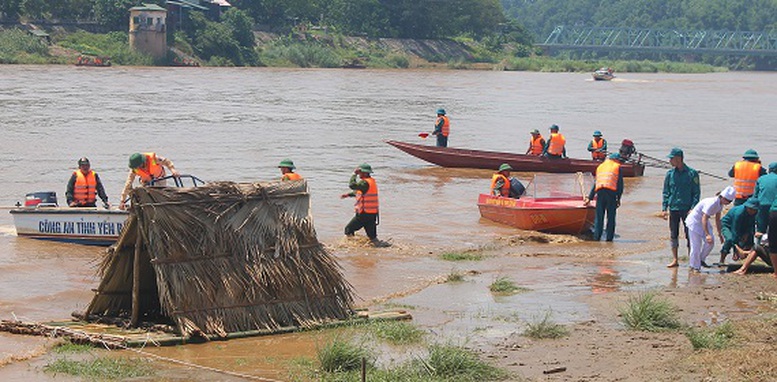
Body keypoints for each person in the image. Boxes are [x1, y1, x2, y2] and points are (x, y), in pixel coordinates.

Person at [662, 148, 701, 268]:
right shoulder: (670, 174)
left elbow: (696, 192)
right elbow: (666, 192)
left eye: (672, 158)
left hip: (687, 209)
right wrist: (664, 208)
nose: (670, 161)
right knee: (673, 234)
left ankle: (692, 260)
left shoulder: (692, 173)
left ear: (679, 159)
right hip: (673, 208)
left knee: (689, 235)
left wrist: (693, 208)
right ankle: (675, 259)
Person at [684, 186, 735, 273]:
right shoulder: (712, 202)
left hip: (704, 222)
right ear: (722, 197)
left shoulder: (720, 205)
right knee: (696, 246)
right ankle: (694, 266)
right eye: (728, 201)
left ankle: (701, 260)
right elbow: (704, 217)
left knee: (710, 243)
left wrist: (720, 234)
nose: (728, 203)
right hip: (695, 221)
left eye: (730, 202)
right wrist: (707, 234)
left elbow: (717, 219)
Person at [340, 163, 386, 247]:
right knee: (372, 237)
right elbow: (360, 192)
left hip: (363, 213)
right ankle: (378, 247)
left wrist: (353, 174)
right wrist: (348, 195)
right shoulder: (371, 181)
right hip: (372, 213)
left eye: (360, 172)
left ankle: (350, 246)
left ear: (364, 173)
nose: (359, 174)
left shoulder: (364, 183)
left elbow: (352, 185)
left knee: (348, 229)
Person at [584, 152, 624, 241]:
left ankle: (597, 238)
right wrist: (618, 198)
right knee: (611, 217)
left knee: (599, 217)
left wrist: (589, 198)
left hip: (600, 192)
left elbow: (595, 184)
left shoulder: (600, 167)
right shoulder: (617, 167)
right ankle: (609, 239)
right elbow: (620, 185)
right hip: (611, 193)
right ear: (616, 160)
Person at [719, 197, 759, 264]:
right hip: (728, 225)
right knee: (729, 239)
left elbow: (751, 226)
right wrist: (736, 250)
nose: (752, 211)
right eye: (750, 209)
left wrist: (747, 234)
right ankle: (722, 260)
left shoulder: (755, 213)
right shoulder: (739, 213)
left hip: (743, 226)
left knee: (749, 238)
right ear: (747, 207)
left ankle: (747, 259)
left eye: (754, 209)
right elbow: (735, 231)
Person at [754, 162, 777, 237]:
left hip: (762, 205)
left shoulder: (761, 179)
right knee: (774, 230)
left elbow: (755, 195)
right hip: (774, 208)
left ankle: (759, 246)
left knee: (761, 230)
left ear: (769, 170)